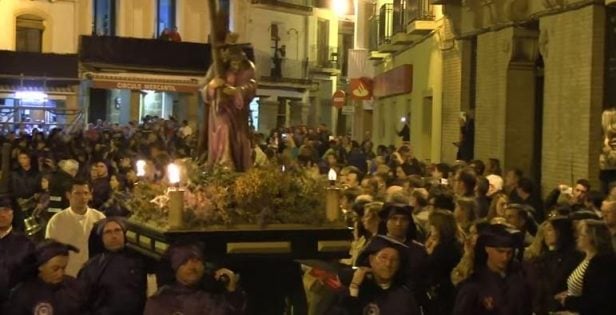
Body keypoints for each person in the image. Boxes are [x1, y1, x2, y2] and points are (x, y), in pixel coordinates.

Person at [201, 32, 256, 171]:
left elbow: (252, 85)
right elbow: (203, 87)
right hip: (219, 109)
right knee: (223, 128)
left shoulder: (247, 66)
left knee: (236, 137)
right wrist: (212, 85)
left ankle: (233, 163)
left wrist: (236, 91)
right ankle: (223, 161)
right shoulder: (217, 66)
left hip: (237, 111)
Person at [326, 235, 420, 315]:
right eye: (383, 257)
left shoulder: (405, 297)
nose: (388, 264)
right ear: (371, 260)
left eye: (394, 260)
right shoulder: (356, 289)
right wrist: (354, 287)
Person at [144, 242, 245, 315]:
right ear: (175, 267)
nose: (192, 266)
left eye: (197, 260)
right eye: (185, 261)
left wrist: (232, 291)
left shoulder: (214, 300)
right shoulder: (159, 302)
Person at [453, 224, 532, 314]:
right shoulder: (473, 286)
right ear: (487, 249)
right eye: (500, 251)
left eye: (509, 252)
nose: (505, 258)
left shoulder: (519, 282)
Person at [78, 217, 147, 315]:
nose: (114, 236)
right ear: (101, 237)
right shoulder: (92, 267)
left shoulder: (139, 260)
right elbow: (83, 301)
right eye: (108, 232)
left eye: (117, 231)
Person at [6, 240, 87, 315]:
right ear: (40, 266)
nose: (61, 273)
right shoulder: (22, 295)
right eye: (55, 269)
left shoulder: (74, 287)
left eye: (63, 268)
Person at [554, 220, 616, 315]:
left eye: (582, 235)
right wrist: (568, 293)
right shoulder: (584, 257)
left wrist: (568, 301)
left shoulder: (604, 263)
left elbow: (599, 299)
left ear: (593, 238)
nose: (577, 237)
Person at [45, 180, 106, 277]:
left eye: (86, 193)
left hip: (95, 273)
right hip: (68, 274)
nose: (82, 197)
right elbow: (50, 251)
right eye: (77, 193)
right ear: (68, 195)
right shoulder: (57, 221)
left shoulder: (99, 218)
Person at [523, 217, 582, 315]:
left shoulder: (576, 258)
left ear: (561, 231)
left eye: (550, 230)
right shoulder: (543, 258)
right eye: (545, 230)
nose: (545, 234)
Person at [0, 196, 35, 308]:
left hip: (16, 305)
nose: (2, 215)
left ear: (13, 213)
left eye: (5, 210)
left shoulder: (26, 244)